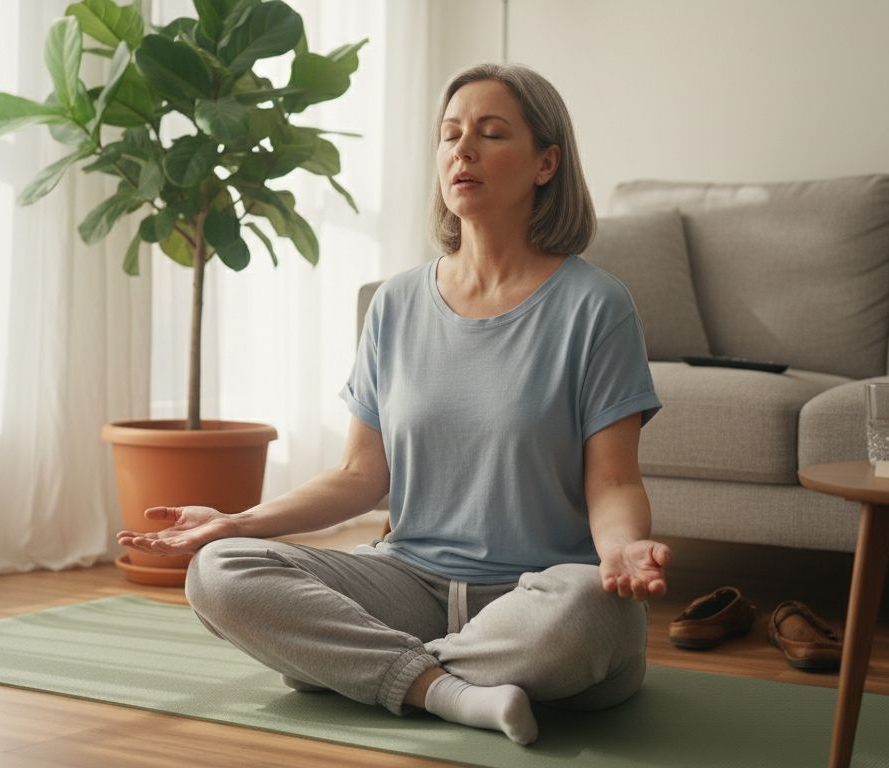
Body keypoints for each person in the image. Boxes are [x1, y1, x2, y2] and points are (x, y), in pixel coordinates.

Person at [117, 63, 670, 746]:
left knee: (592, 610)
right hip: (408, 584)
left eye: (491, 134)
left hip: (535, 596)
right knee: (220, 570)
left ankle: (364, 668)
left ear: (545, 163)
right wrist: (239, 520)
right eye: (450, 135)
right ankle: (448, 692)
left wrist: (621, 550)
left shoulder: (596, 305)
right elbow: (360, 476)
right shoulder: (397, 303)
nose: (462, 151)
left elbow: (613, 478)